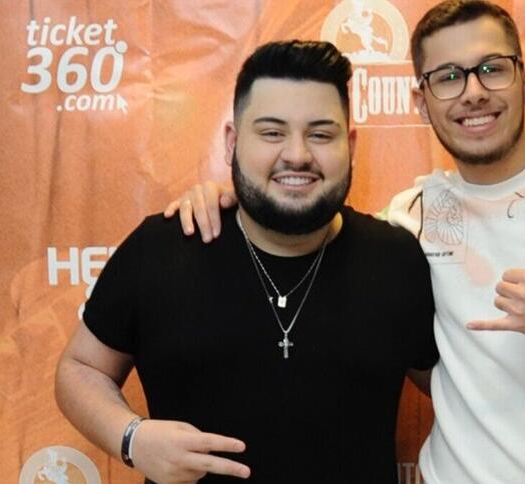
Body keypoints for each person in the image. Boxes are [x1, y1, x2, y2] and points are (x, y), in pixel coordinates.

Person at [169, 1, 525, 482]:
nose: (473, 91)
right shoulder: (408, 221)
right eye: (448, 76)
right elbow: (301, 223)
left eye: (491, 69)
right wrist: (228, 194)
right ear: (422, 101)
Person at [54, 40, 438, 484]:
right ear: (232, 141)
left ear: (349, 144)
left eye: (320, 133)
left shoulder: (396, 259)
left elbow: (462, 386)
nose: (297, 154)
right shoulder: (162, 247)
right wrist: (131, 438)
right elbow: (80, 368)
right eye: (272, 132)